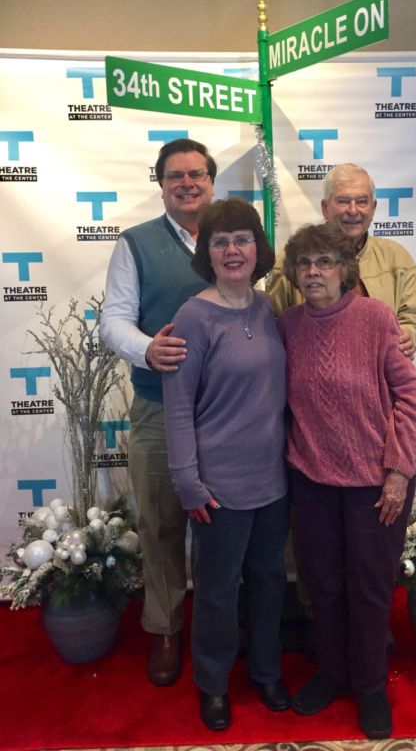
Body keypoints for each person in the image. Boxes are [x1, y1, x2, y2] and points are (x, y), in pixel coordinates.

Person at [277, 222, 416, 740]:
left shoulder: (376, 318)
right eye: (304, 263)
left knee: (368, 591)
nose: (313, 272)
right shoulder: (287, 325)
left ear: (345, 269)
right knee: (322, 586)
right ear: (294, 274)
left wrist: (398, 470)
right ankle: (332, 673)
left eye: (325, 262)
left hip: (374, 485)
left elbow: (411, 399)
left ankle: (368, 686)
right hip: (312, 480)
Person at [162, 197, 290, 731]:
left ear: (258, 249)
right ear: (206, 253)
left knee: (268, 581)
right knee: (216, 592)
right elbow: (178, 407)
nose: (232, 250)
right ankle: (212, 684)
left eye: (242, 239)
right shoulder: (193, 317)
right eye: (220, 241)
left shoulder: (267, 307)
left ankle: (265, 670)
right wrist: (188, 482)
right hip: (218, 487)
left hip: (275, 481)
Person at [100, 138, 216, 686]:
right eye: (176, 176)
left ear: (212, 181)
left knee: (227, 525)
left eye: (197, 174)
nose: (187, 183)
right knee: (161, 524)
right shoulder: (135, 244)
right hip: (156, 407)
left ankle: (220, 627)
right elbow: (114, 320)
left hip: (228, 416)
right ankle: (166, 628)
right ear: (162, 184)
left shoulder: (233, 236)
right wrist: (146, 347)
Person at [268, 162, 416, 357]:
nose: (353, 211)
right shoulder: (294, 258)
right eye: (343, 201)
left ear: (373, 207)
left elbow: (413, 316)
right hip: (313, 372)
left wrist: (408, 335)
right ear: (325, 208)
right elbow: (273, 324)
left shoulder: (396, 258)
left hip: (379, 375)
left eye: (362, 201)